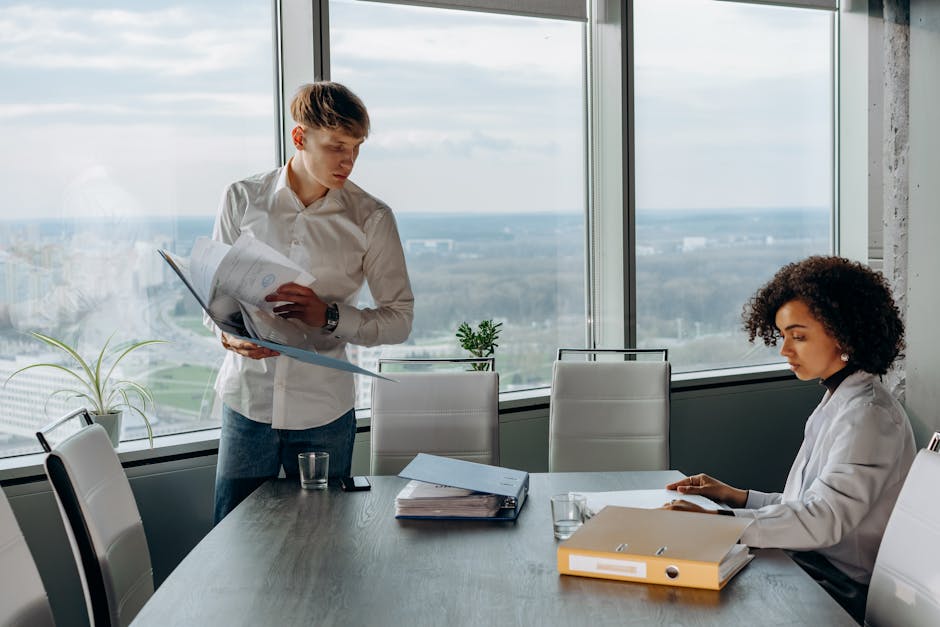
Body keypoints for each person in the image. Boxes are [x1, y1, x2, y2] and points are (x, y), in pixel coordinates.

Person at [662, 255, 915, 622]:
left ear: (844, 332)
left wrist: (720, 525)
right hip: (810, 566)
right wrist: (738, 497)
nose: (785, 350)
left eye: (798, 336)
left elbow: (824, 519)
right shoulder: (843, 400)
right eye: (782, 336)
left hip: (836, 588)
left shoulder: (868, 417)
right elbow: (812, 503)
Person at [210, 82, 414, 523]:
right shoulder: (241, 199)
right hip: (248, 403)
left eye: (357, 148)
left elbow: (399, 319)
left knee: (325, 552)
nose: (349, 161)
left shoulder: (371, 218)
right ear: (299, 138)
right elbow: (214, 302)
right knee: (233, 546)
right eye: (336, 146)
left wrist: (330, 315)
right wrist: (232, 339)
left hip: (324, 411)